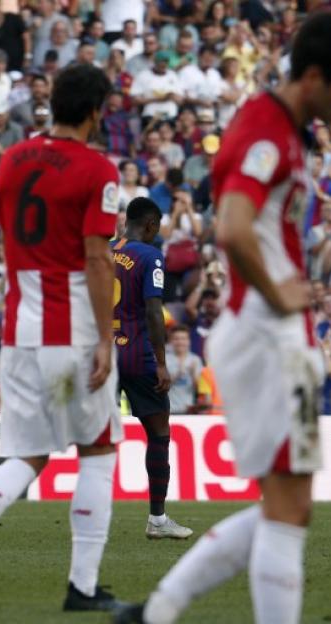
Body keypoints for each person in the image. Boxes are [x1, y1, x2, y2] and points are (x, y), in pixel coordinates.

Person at [113, 13, 331, 624]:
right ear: (314, 75)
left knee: (290, 507)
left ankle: (156, 611)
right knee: (288, 510)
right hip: (267, 336)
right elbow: (232, 228)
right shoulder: (265, 131)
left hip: (280, 335)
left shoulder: (285, 129)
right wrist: (282, 293)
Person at [0, 64, 121, 613]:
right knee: (98, 450)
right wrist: (108, 339)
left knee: (29, 454)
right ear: (95, 110)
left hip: (19, 329)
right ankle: (82, 587)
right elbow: (95, 257)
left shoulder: (13, 161)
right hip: (72, 330)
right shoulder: (98, 170)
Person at [113, 197, 192, 539]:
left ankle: (90, 517)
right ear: (149, 225)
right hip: (137, 354)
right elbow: (153, 310)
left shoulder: (104, 251)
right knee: (159, 433)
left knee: (97, 439)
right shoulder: (150, 255)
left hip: (103, 352)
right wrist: (161, 363)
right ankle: (157, 520)